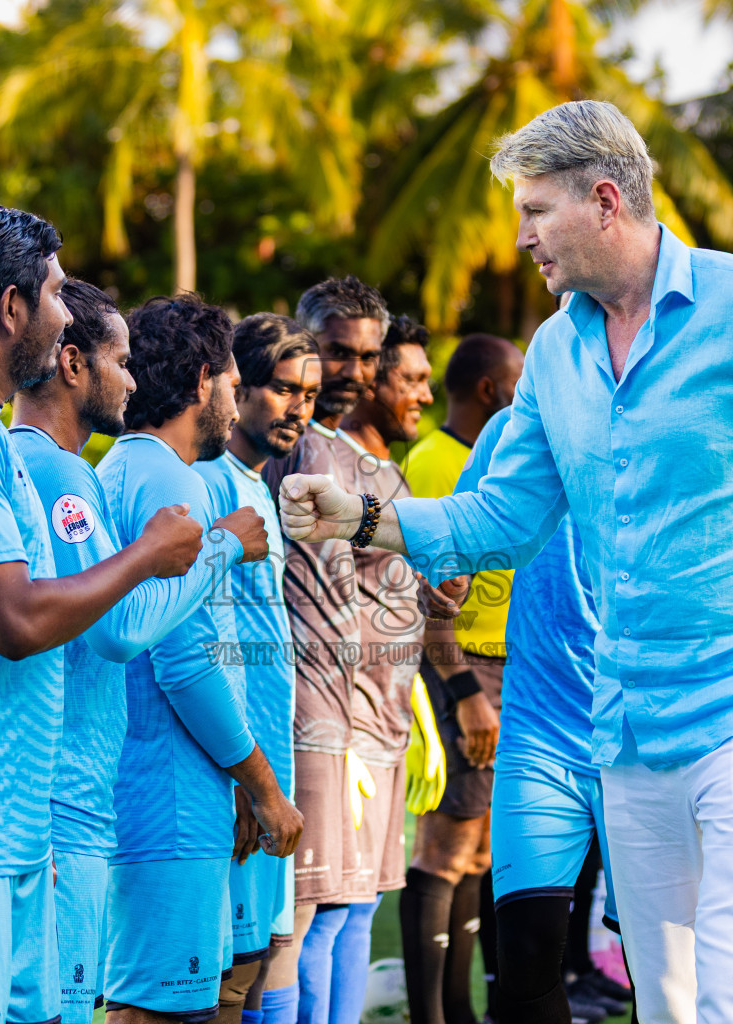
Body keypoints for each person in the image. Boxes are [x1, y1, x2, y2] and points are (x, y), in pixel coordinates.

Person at [278, 98, 733, 1024]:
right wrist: (359, 515)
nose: (521, 237)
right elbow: (502, 516)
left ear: (604, 201)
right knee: (667, 1001)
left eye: (536, 211)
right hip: (625, 729)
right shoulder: (553, 353)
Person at [0, 204, 204, 1024]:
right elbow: (17, 623)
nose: (68, 311)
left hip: (19, 826)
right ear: (11, 307)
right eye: (57, 293)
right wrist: (153, 555)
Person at [9, 279, 264, 1024]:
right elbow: (126, 633)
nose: (133, 380)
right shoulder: (64, 472)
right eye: (121, 363)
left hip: (82, 800)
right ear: (72, 364)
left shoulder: (74, 467)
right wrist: (219, 548)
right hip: (73, 806)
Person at [97, 294, 303, 1024]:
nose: (235, 400)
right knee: (157, 1010)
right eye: (231, 382)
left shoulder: (125, 467)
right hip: (171, 800)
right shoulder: (174, 482)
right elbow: (184, 663)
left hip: (160, 789)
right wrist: (263, 786)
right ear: (200, 382)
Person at [423, 404, 633, 1024]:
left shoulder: (683, 404)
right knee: (525, 960)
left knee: (662, 965)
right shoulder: (517, 424)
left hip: (648, 734)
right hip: (539, 729)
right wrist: (445, 578)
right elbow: (464, 532)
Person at [262, 275, 388, 1024]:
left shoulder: (349, 453)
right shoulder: (292, 445)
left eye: (367, 357)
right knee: (299, 914)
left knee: (340, 906)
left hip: (351, 713)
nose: (353, 371)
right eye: (339, 352)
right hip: (297, 707)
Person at [195, 313, 321, 1024]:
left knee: (259, 962)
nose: (298, 407)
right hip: (237, 778)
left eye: (309, 393)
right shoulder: (208, 482)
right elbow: (202, 649)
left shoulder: (256, 486)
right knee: (222, 983)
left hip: (268, 766)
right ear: (237, 386)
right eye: (282, 388)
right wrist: (245, 780)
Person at [400, 331, 524, 1024]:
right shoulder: (434, 461)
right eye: (518, 380)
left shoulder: (506, 457)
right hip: (461, 668)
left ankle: (461, 1009)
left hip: (505, 667)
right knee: (445, 849)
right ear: (488, 389)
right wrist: (464, 690)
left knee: (478, 851)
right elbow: (424, 589)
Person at [328, 315, 433, 1018]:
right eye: (409, 380)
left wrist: (429, 591)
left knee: (362, 903)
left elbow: (385, 593)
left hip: (386, 725)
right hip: (343, 728)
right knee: (328, 911)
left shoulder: (387, 471)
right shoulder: (328, 465)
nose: (422, 395)